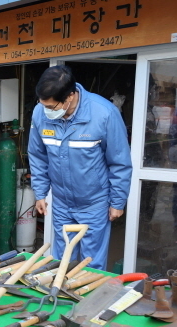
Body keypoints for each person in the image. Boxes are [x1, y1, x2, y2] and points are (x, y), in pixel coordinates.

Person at [27, 65, 132, 270]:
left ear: (69, 97)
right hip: (62, 203)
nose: (46, 111)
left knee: (91, 264)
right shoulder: (41, 113)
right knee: (61, 262)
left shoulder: (104, 113)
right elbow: (38, 155)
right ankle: (61, 300)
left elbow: (119, 162)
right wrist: (40, 193)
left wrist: (117, 202)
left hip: (94, 203)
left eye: (52, 107)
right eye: (43, 105)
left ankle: (88, 300)